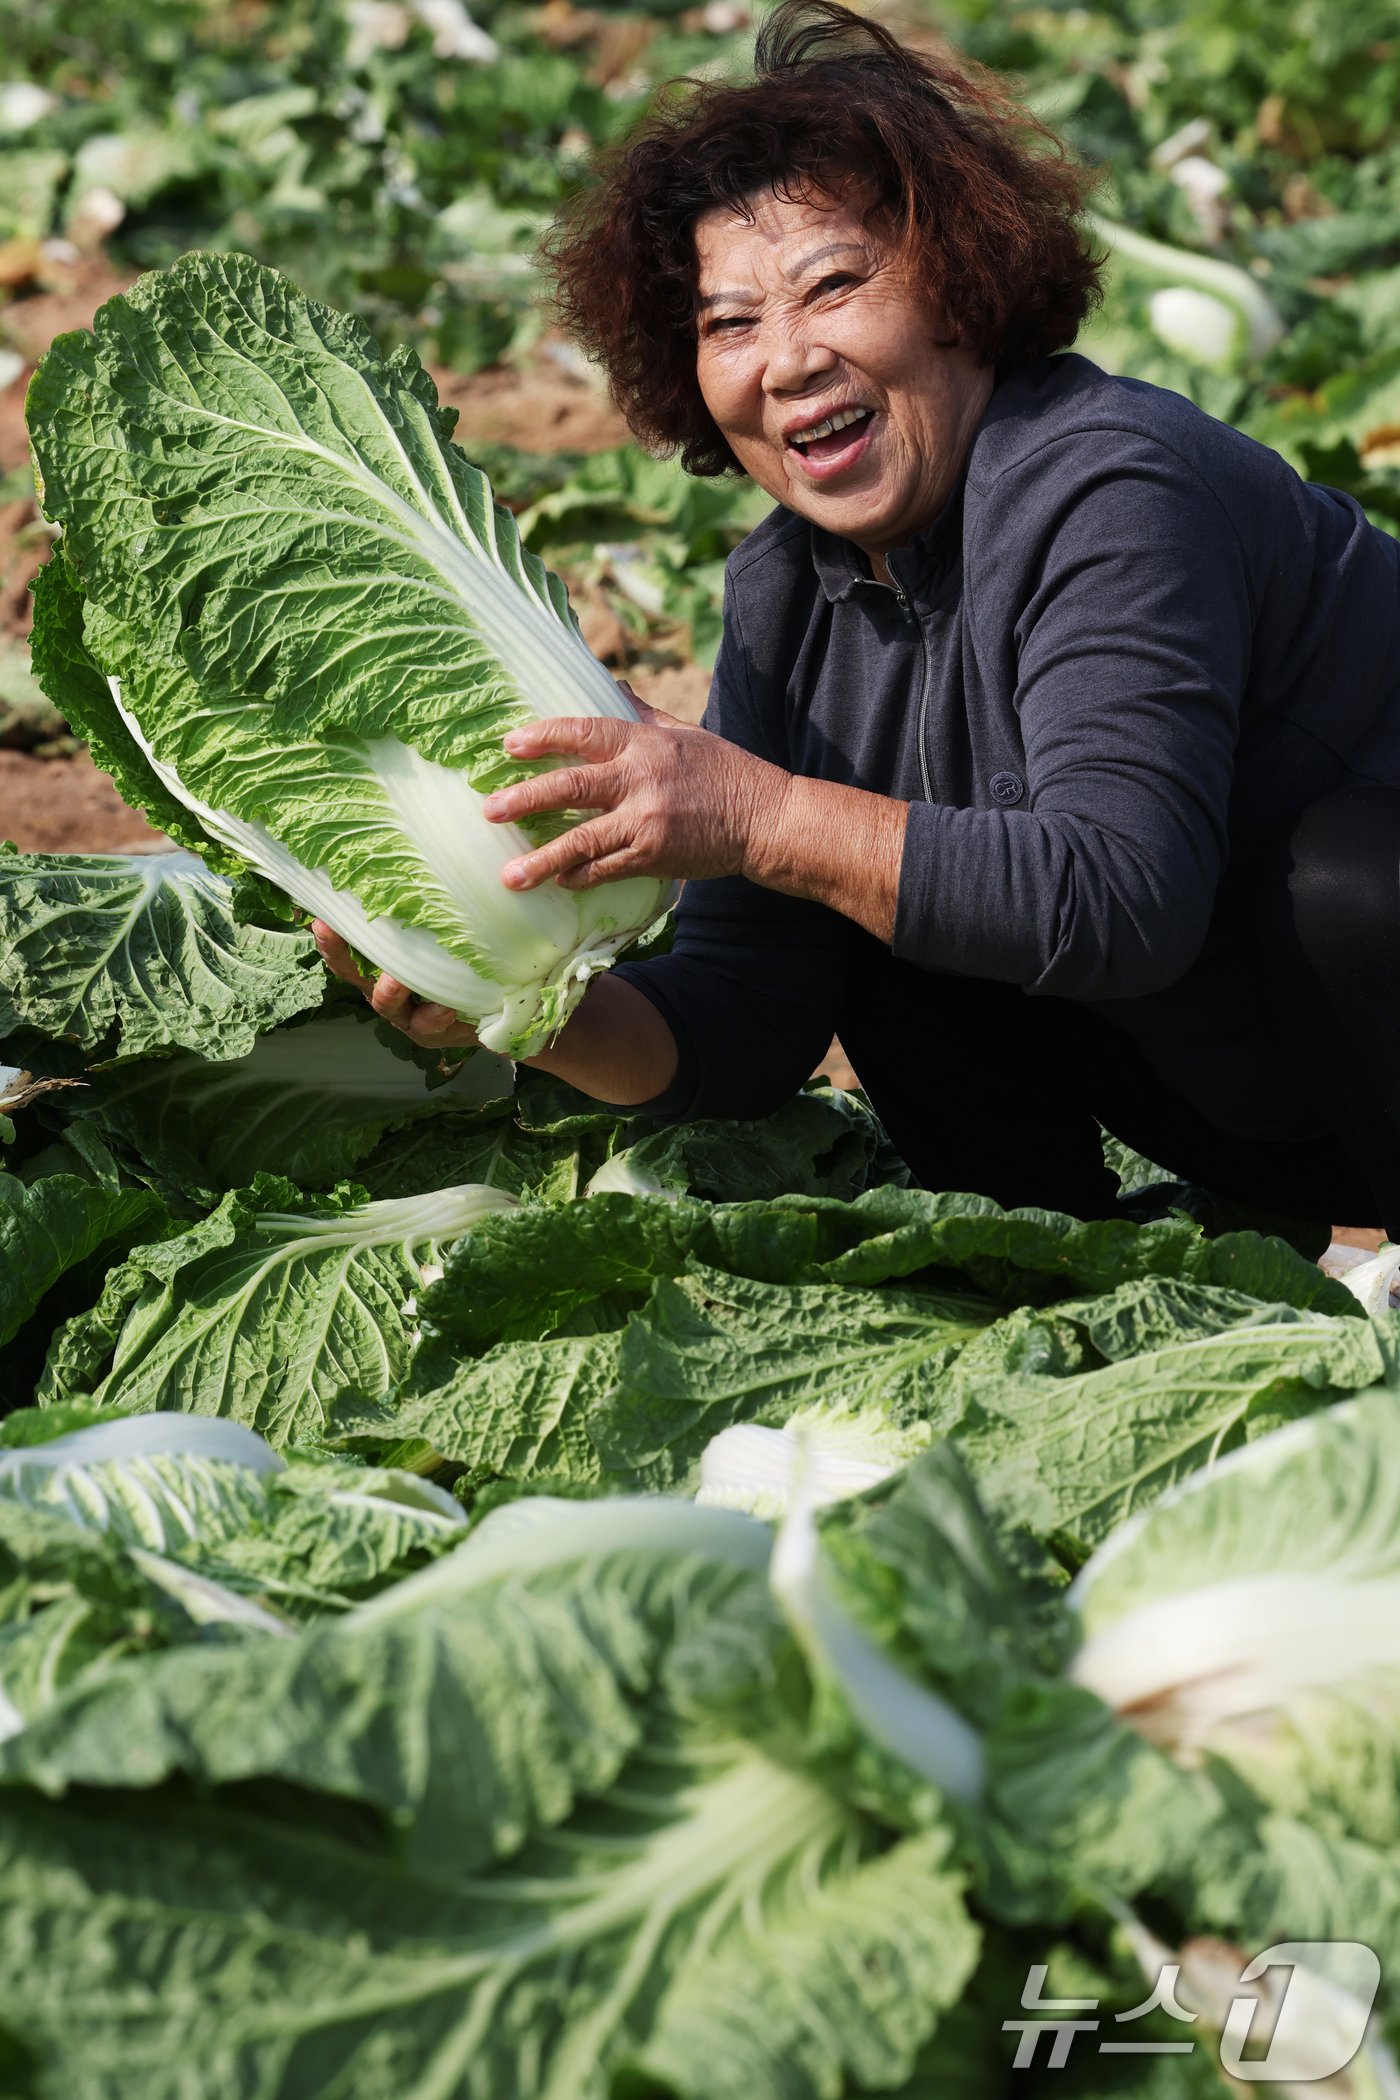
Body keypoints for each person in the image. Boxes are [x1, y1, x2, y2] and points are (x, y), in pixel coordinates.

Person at [317, 0, 1400, 1234]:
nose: (782, 360)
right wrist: (520, 1017)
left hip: (1359, 1013)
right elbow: (739, 1022)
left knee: (1351, 881)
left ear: (959, 288)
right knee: (886, 903)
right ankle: (1055, 1281)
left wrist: (759, 813)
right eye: (728, 322)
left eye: (831, 285)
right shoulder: (785, 602)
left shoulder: (1110, 481)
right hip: (1276, 1112)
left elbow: (1121, 898)